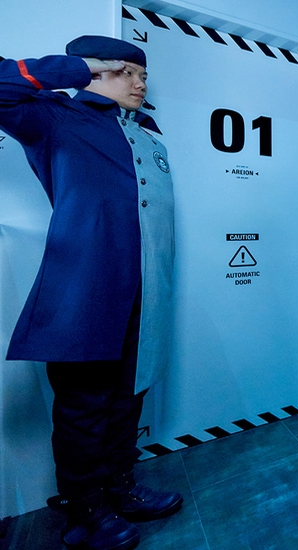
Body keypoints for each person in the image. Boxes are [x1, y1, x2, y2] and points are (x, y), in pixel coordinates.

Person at [0, 36, 181, 550]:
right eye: (127, 72)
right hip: (85, 289)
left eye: (143, 75)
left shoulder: (145, 132)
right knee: (84, 406)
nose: (140, 83)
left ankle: (121, 488)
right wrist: (80, 67)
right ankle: (83, 510)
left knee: (128, 397)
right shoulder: (55, 117)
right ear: (97, 70)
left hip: (146, 289)